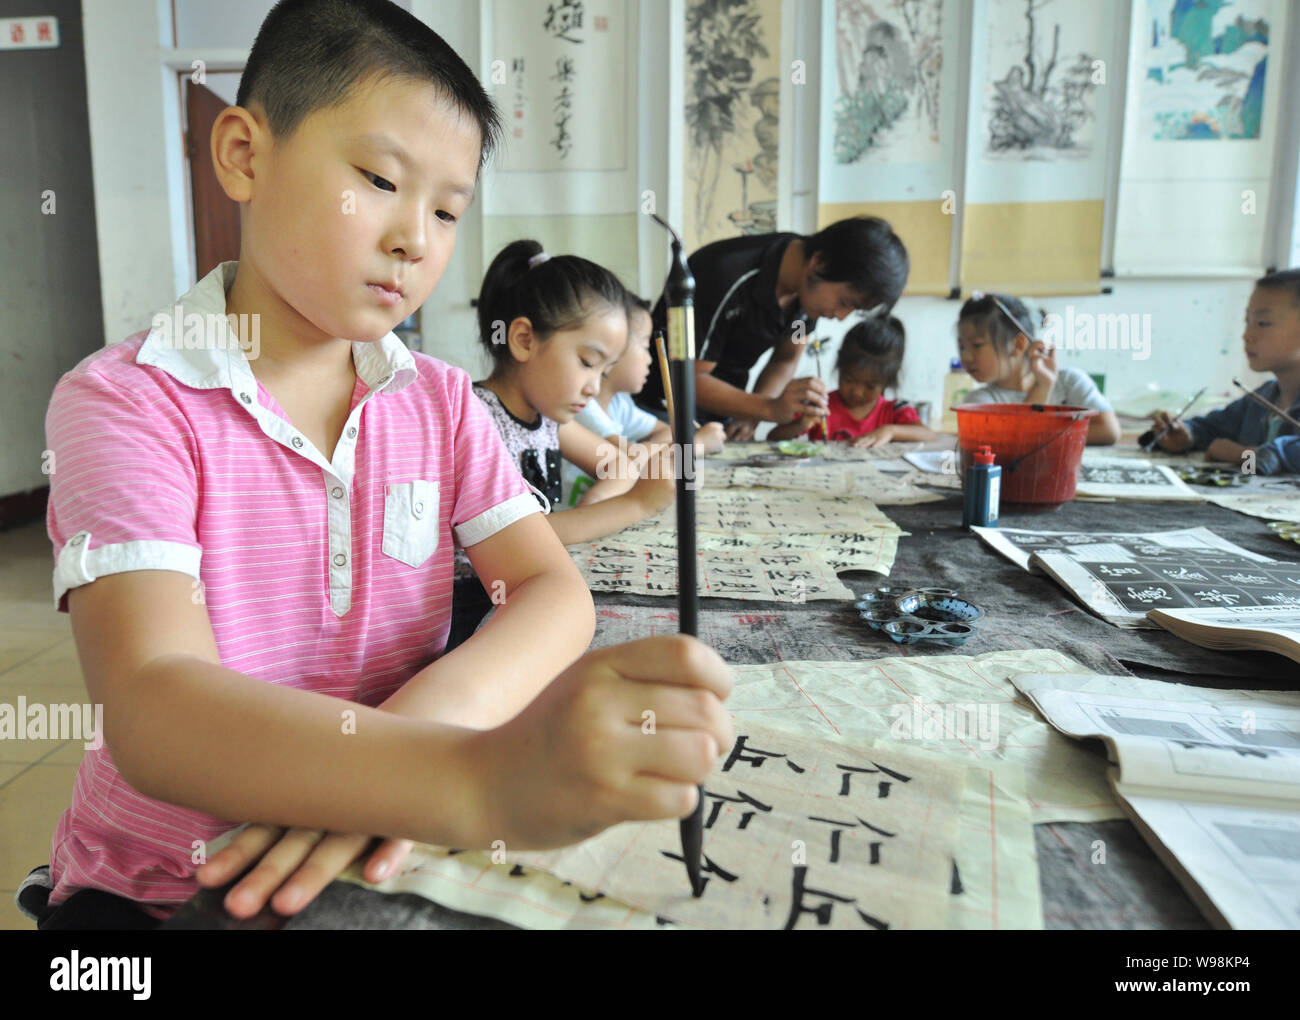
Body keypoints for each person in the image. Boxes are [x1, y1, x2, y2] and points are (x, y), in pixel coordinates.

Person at [27, 0, 731, 931]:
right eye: (378, 180)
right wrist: (468, 780)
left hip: (381, 839)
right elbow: (155, 703)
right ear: (243, 154)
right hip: (162, 888)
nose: (416, 238)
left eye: (447, 210)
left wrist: (393, 760)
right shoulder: (127, 401)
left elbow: (550, 592)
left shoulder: (439, 403)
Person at [446, 241, 680, 646]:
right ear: (523, 340)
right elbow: (529, 536)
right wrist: (636, 503)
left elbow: (618, 466)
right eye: (588, 362)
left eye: (605, 371)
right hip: (472, 611)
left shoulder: (550, 419)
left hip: (523, 591)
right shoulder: (477, 418)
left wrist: (612, 491)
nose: (594, 387)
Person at [638, 216, 910, 440]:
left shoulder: (806, 302)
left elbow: (786, 358)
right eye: (844, 302)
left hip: (721, 414)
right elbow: (686, 379)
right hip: (660, 410)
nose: (840, 316)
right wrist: (768, 408)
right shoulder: (723, 275)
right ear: (819, 263)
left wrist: (752, 416)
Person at [564, 296, 724, 505]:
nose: (651, 359)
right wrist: (696, 444)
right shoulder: (581, 406)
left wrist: (655, 451)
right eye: (644, 345)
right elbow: (631, 460)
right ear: (615, 346)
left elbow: (667, 431)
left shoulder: (619, 403)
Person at [1152, 269, 1300, 467]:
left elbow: (1282, 456)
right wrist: (1186, 436)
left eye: (1263, 323)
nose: (1247, 335)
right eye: (1247, 321)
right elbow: (1213, 427)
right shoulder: (1262, 400)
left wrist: (1245, 455)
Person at [956, 293, 1121, 445]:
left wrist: (1038, 434)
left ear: (1018, 344)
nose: (966, 357)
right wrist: (1043, 388)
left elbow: (1109, 431)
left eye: (976, 345)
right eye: (962, 347)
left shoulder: (1069, 382)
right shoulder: (979, 402)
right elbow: (1022, 443)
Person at [768, 315, 937, 447]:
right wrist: (801, 425)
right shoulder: (820, 406)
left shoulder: (894, 411)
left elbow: (929, 435)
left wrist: (890, 431)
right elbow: (773, 437)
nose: (857, 392)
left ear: (886, 382)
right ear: (839, 368)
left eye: (870, 386)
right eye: (849, 380)